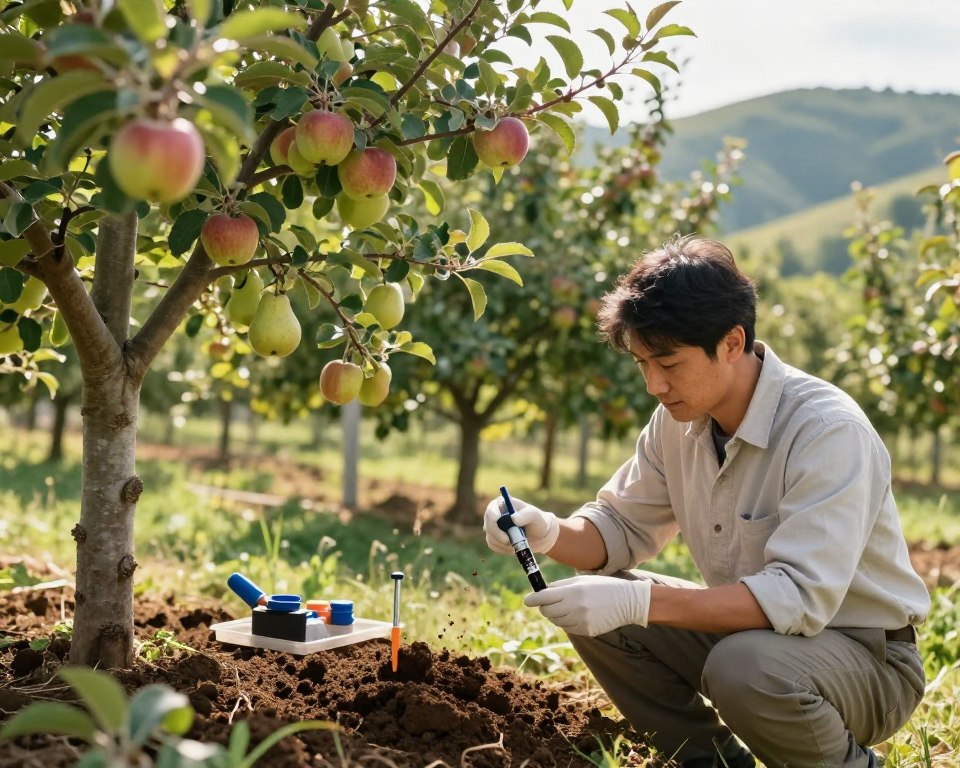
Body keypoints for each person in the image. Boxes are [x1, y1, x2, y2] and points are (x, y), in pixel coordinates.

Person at [483, 236, 929, 768]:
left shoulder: (826, 432)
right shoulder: (680, 422)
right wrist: (548, 531)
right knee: (604, 608)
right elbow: (619, 528)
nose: (653, 384)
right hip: (756, 642)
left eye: (668, 361)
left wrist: (640, 604)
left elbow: (798, 598)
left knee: (741, 667)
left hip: (866, 659)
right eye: (642, 362)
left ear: (733, 342)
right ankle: (709, 763)